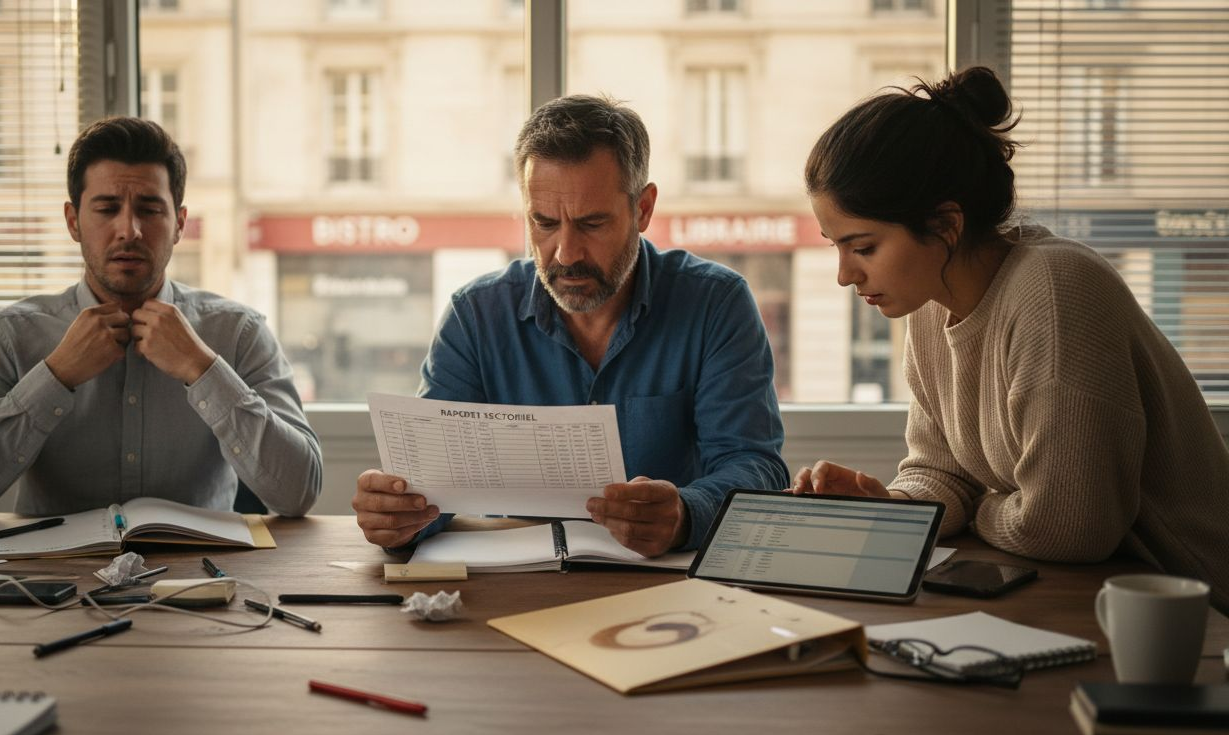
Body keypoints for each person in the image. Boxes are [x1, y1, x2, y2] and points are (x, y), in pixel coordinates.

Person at [792, 67, 1229, 611]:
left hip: (1195, 611)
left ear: (945, 225)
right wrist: (890, 506)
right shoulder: (931, 306)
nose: (844, 275)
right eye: (836, 246)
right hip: (1103, 597)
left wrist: (981, 507)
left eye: (863, 248)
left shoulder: (1055, 291)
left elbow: (1070, 529)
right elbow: (940, 471)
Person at [354, 94, 787, 557]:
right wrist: (400, 515)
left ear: (643, 209)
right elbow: (436, 483)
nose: (565, 254)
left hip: (663, 586)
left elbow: (755, 465)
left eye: (592, 223)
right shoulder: (476, 314)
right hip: (513, 586)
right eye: (543, 223)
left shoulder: (714, 304)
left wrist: (685, 513)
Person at [0, 117, 322, 526]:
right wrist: (55, 376)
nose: (128, 230)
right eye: (107, 208)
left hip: (202, 581)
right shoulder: (8, 336)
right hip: (53, 584)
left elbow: (298, 493)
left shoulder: (239, 333)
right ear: (73, 221)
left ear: (179, 224)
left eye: (149, 210)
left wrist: (204, 370)